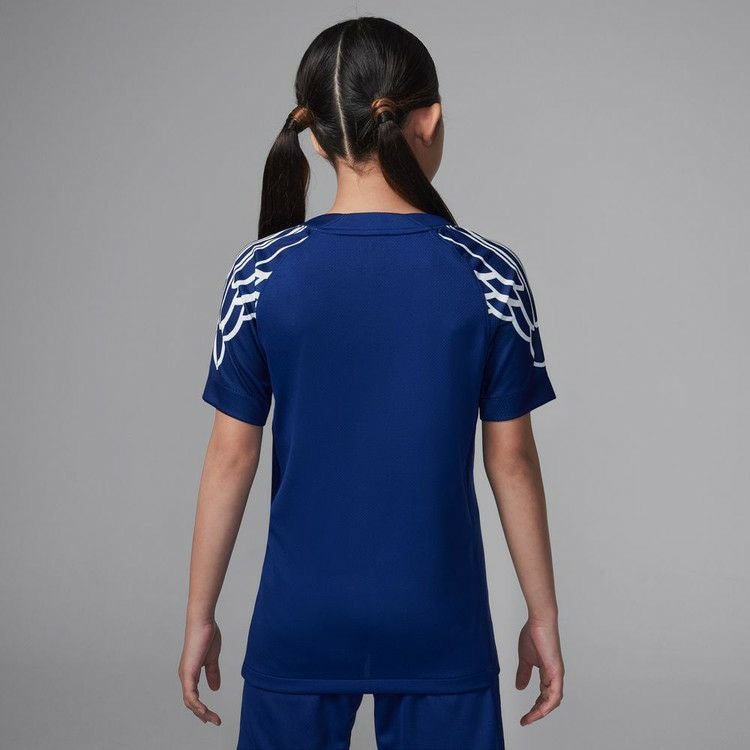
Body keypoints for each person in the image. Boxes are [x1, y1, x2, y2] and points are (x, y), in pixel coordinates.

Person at [178, 15, 564, 750]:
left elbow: (231, 456)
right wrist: (542, 616)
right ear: (430, 120)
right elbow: (510, 459)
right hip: (440, 619)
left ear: (316, 139)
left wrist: (200, 615)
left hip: (298, 618)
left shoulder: (258, 276)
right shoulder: (491, 275)